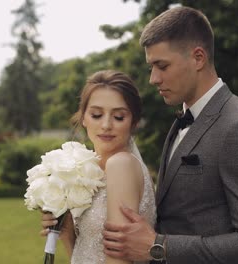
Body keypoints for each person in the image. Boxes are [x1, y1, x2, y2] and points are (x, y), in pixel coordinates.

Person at [102, 6, 238, 264]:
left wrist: (158, 246)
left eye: (162, 66)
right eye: (151, 67)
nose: (153, 78)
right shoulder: (182, 120)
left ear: (198, 58)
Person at [40, 70, 157, 264]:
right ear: (84, 117)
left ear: (133, 123)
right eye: (96, 114)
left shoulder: (122, 165)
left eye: (119, 117)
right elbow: (84, 254)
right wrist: (65, 229)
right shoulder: (89, 171)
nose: (106, 125)